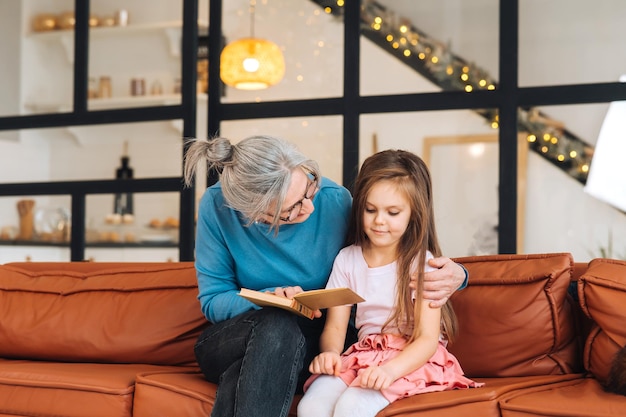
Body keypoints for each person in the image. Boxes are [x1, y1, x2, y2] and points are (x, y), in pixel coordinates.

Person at [182, 135, 468, 417]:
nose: (310, 206)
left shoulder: (333, 200)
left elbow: (387, 255)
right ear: (255, 216)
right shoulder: (217, 207)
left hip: (306, 344)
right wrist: (267, 299)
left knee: (255, 367)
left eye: (309, 186)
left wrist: (460, 274)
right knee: (275, 326)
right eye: (290, 210)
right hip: (240, 336)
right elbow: (213, 301)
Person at [298, 149, 483, 417]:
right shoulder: (347, 259)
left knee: (351, 407)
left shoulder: (422, 263)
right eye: (370, 210)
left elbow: (427, 339)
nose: (379, 221)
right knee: (310, 406)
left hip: (412, 359)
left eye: (393, 212)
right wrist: (330, 353)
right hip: (363, 354)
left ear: (413, 214)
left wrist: (389, 370)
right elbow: (336, 327)